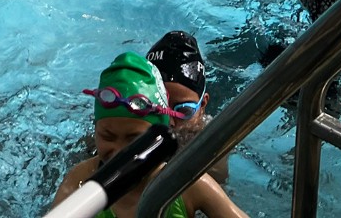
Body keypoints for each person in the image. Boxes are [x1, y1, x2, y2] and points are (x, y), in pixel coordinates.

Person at [52, 51, 246, 217]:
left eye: (134, 139)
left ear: (160, 138)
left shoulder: (187, 185)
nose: (120, 151)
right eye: (107, 136)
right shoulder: (79, 182)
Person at [146, 32, 227, 183]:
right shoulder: (124, 124)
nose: (169, 121)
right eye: (158, 107)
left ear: (202, 105)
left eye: (183, 111)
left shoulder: (210, 146)